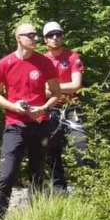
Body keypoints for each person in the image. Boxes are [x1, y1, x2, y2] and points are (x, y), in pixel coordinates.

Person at [0, 23, 61, 220]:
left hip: (40, 125)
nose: (34, 38)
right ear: (18, 38)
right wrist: (13, 106)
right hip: (15, 125)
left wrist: (44, 108)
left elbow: (56, 93)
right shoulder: (5, 63)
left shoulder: (45, 62)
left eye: (35, 35)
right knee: (7, 176)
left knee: (37, 173)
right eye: (29, 35)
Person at [42, 21, 88, 193]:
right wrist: (58, 90)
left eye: (58, 34)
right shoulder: (42, 60)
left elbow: (76, 85)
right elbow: (39, 89)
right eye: (50, 35)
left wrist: (53, 89)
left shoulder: (72, 57)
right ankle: (59, 187)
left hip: (71, 107)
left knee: (80, 144)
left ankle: (85, 183)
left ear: (62, 37)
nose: (55, 38)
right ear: (45, 40)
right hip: (50, 108)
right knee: (51, 146)